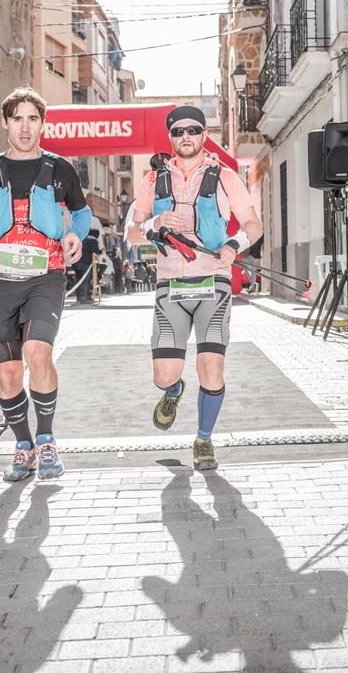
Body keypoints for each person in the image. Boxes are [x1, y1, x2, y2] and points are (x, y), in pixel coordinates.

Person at [0, 87, 89, 482]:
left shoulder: (61, 169)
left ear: (43, 124)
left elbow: (80, 214)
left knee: (37, 352)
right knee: (9, 373)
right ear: (5, 123)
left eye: (33, 118)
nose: (25, 127)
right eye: (18, 119)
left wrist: (75, 235)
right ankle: (24, 445)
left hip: (46, 274)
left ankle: (47, 440)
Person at [126, 105, 262, 472]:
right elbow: (132, 233)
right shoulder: (153, 179)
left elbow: (253, 225)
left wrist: (233, 245)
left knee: (211, 368)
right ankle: (173, 392)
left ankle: (203, 439)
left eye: (193, 130)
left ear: (204, 135)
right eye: (178, 131)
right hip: (170, 283)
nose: (186, 136)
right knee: (164, 375)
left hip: (212, 281)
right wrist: (154, 220)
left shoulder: (225, 177)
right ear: (170, 137)